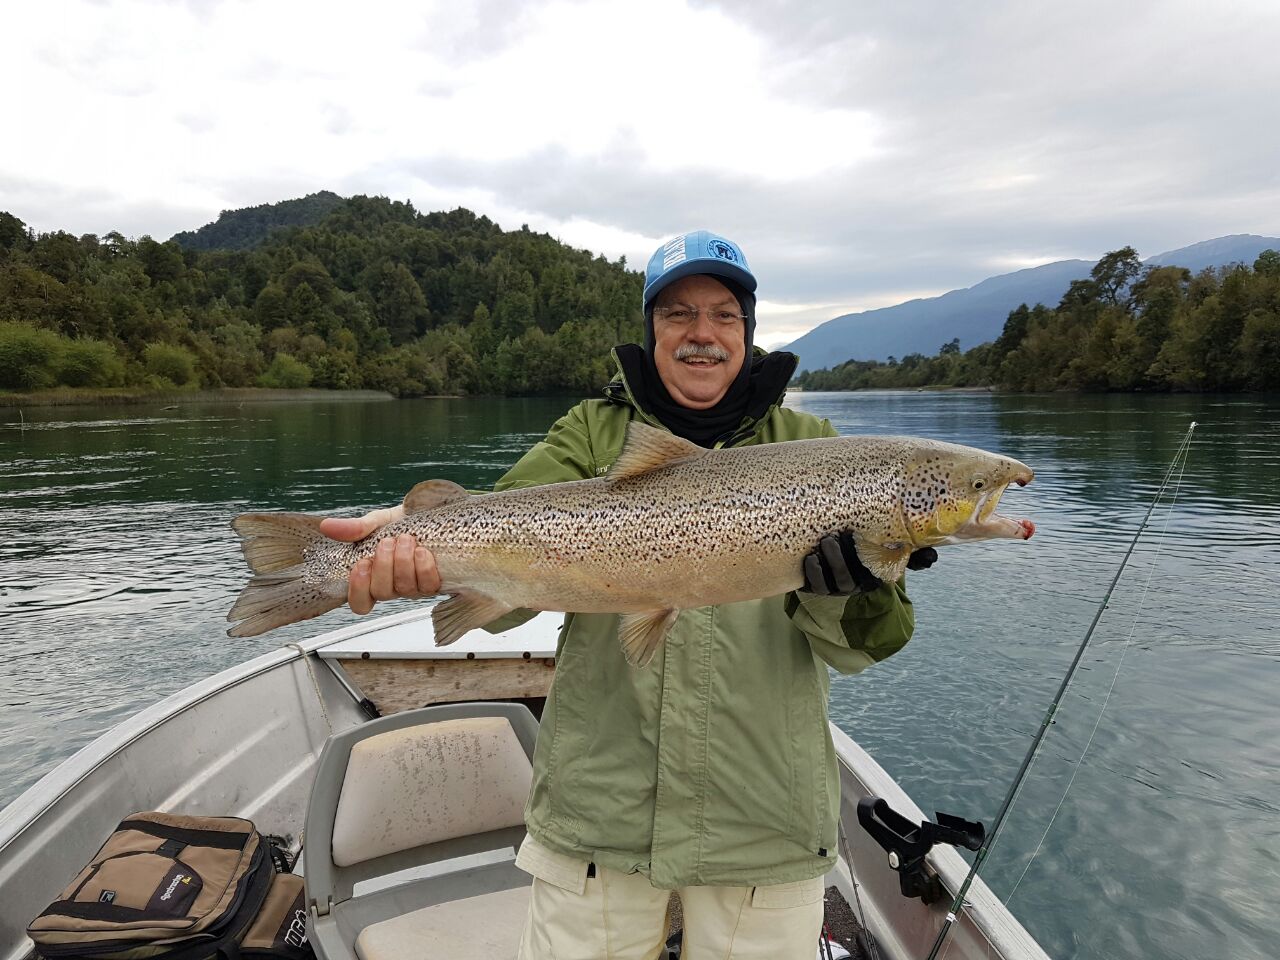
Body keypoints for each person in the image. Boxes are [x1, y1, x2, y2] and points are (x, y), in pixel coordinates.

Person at [320, 231, 929, 959]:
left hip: (763, 823)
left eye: (724, 315)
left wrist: (847, 589)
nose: (702, 333)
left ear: (748, 334)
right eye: (677, 313)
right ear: (651, 331)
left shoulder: (816, 447)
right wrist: (414, 542)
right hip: (597, 821)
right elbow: (506, 548)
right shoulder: (589, 432)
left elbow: (873, 646)